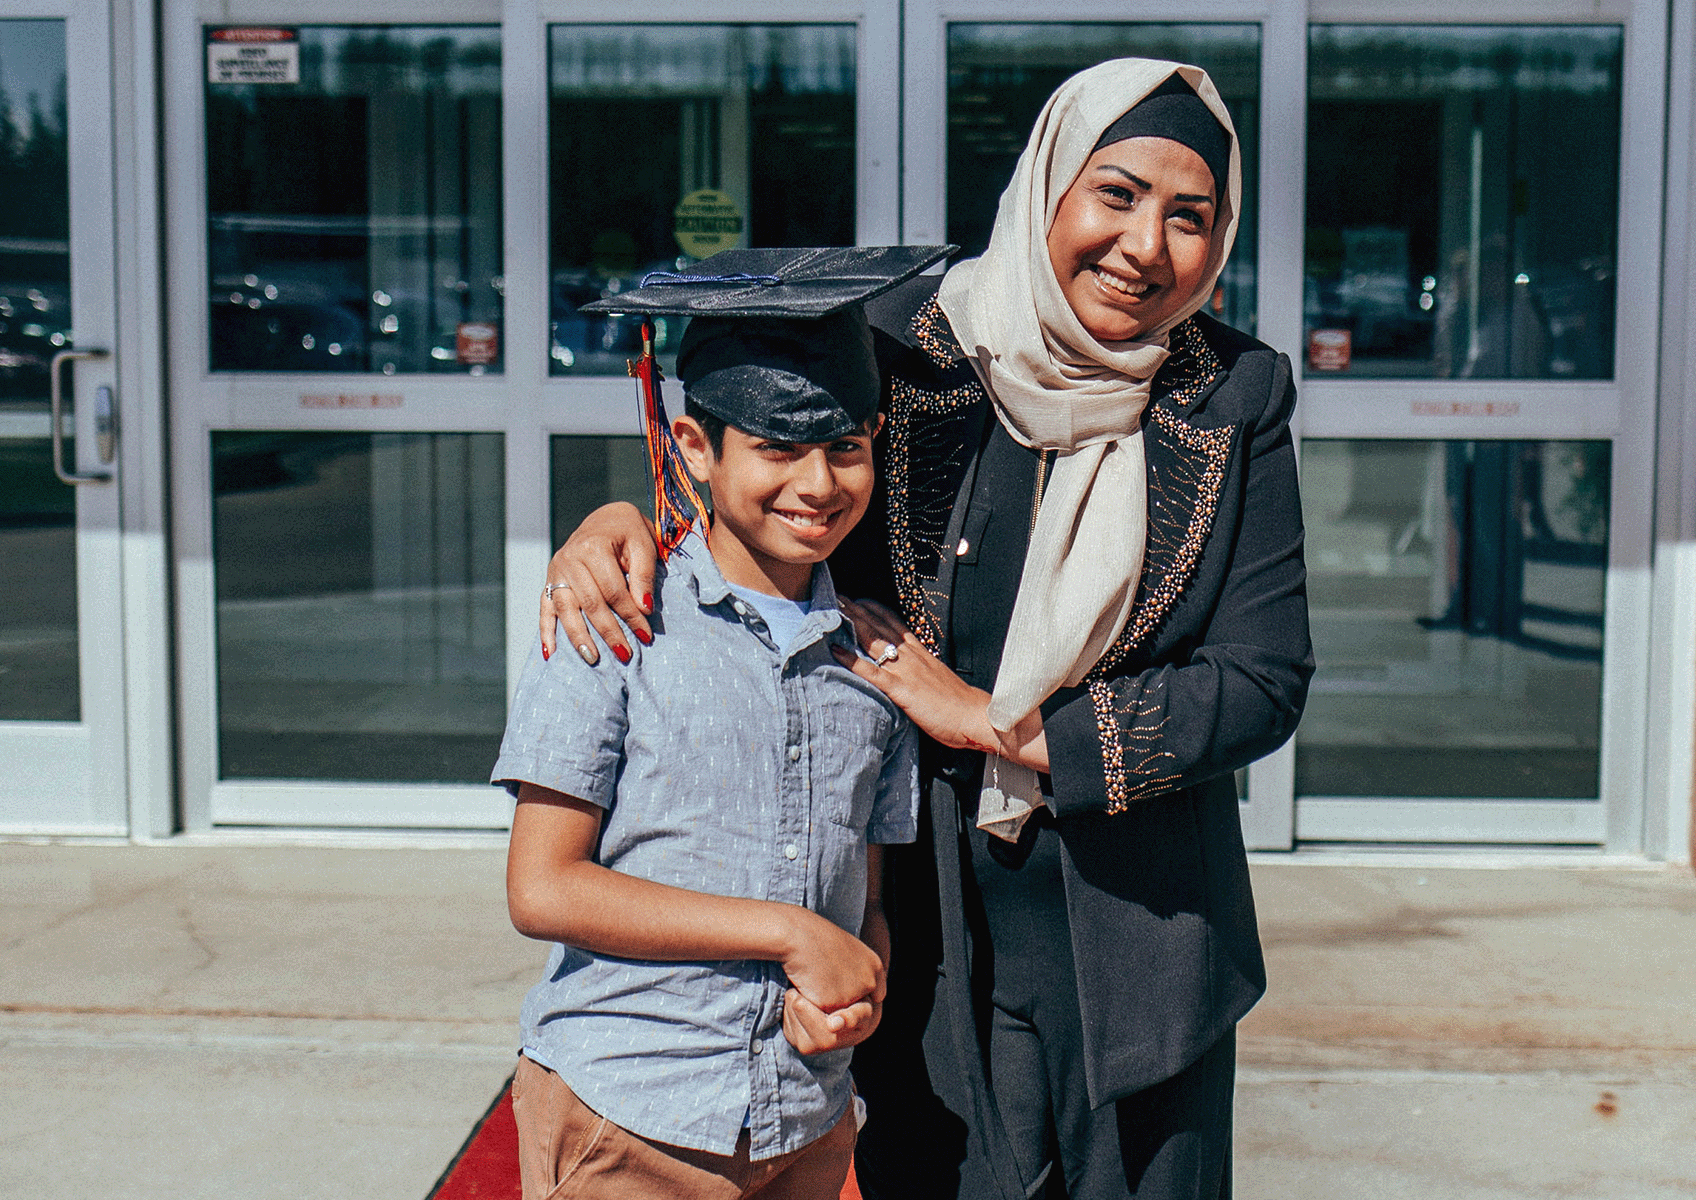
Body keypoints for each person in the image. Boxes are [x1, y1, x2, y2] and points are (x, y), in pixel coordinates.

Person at [540, 60, 1314, 1200]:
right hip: (933, 925)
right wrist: (624, 524)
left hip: (1145, 942)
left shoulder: (1230, 395)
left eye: (1189, 217)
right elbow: (776, 490)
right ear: (1047, 183)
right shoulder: (914, 347)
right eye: (1116, 193)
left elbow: (1263, 679)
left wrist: (1000, 723)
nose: (1147, 245)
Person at [495, 247, 949, 1200]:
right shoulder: (612, 618)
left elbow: (861, 903)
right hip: (631, 1111)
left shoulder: (873, 667)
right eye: (778, 450)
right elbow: (542, 887)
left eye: (845, 447)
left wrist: (854, 993)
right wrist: (786, 933)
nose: (817, 484)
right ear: (698, 451)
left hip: (806, 1121)